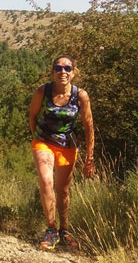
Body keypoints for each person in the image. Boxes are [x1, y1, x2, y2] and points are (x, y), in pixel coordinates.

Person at [29, 55, 95, 251]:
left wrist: (89, 159)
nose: (62, 72)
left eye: (67, 68)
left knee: (63, 191)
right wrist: (36, 138)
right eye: (58, 68)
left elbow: (89, 127)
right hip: (43, 142)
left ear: (74, 72)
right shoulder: (43, 92)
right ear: (52, 72)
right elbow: (32, 116)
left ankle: (64, 230)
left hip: (67, 145)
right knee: (46, 181)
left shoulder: (80, 96)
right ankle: (51, 229)